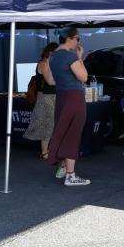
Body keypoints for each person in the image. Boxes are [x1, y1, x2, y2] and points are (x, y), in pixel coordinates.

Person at [47, 27, 90, 186]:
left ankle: (63, 167)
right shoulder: (70, 55)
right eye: (78, 38)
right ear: (70, 38)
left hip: (61, 97)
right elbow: (84, 77)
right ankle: (70, 175)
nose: (78, 41)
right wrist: (80, 58)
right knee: (73, 133)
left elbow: (51, 81)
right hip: (74, 97)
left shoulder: (53, 56)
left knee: (63, 131)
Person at [24, 42, 59, 159]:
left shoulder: (50, 63)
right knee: (48, 124)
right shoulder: (44, 63)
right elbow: (50, 81)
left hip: (52, 96)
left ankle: (48, 150)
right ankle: (44, 151)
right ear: (50, 52)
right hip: (46, 97)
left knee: (51, 124)